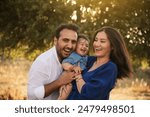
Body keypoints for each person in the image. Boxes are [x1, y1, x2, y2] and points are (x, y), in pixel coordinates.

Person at [66, 26, 133, 100]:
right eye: (96, 40)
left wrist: (78, 76)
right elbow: (69, 60)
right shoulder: (89, 60)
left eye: (102, 41)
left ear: (112, 46)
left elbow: (89, 93)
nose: (97, 44)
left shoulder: (110, 68)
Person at [27, 23, 79, 100]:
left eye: (73, 42)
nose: (70, 46)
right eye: (65, 40)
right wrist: (60, 81)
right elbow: (32, 95)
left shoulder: (72, 59)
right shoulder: (43, 62)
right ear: (55, 41)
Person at [58, 34, 90, 100]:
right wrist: (72, 67)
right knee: (67, 88)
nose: (84, 47)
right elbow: (64, 64)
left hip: (78, 80)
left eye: (87, 46)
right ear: (75, 46)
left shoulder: (86, 58)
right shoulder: (73, 55)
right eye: (82, 44)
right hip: (68, 79)